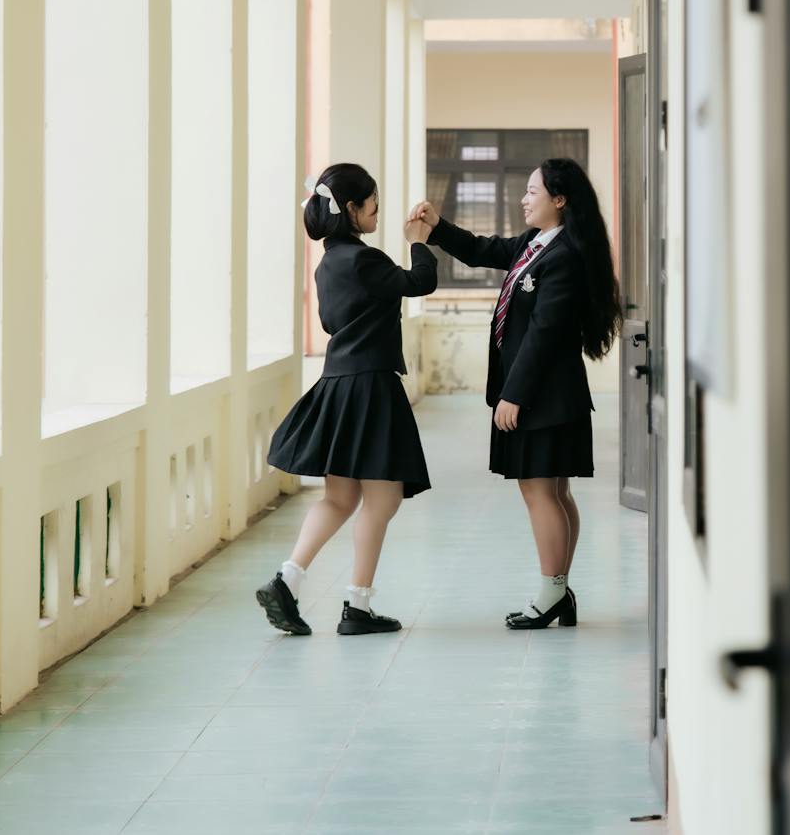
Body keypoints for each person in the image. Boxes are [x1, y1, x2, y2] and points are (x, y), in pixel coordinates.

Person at [411, 157, 623, 629]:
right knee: (554, 491)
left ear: (560, 200)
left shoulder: (563, 255)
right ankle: (559, 592)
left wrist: (514, 395)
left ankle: (550, 595)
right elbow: (482, 249)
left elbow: (546, 332)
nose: (524, 199)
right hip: (547, 395)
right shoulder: (535, 244)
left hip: (545, 396)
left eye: (532, 191)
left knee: (541, 492)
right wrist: (437, 226)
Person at [256, 163, 437, 636]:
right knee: (384, 498)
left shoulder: (326, 265)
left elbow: (330, 325)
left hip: (337, 383)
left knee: (339, 497)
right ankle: (358, 605)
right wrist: (418, 239)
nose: (378, 207)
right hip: (370, 386)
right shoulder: (364, 260)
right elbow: (421, 282)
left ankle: (288, 579)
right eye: (372, 200)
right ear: (353, 209)